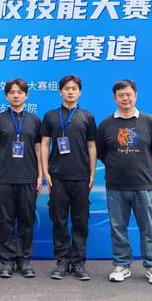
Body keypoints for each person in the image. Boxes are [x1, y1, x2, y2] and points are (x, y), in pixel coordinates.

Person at [96, 79, 152, 286]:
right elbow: (101, 152)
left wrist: (144, 169)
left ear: (135, 96)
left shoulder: (148, 121)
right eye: (121, 95)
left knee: (149, 229)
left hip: (143, 186)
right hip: (115, 186)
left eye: (128, 94)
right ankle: (121, 265)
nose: (125, 98)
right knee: (118, 228)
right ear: (114, 98)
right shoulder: (106, 124)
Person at [40, 75, 97, 281]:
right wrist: (45, 171)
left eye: (74, 89)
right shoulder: (51, 116)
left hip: (81, 177)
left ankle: (79, 263)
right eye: (66, 88)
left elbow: (92, 146)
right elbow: (44, 144)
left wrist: (92, 173)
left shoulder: (87, 116)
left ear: (79, 92)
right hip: (57, 177)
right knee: (59, 220)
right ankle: (62, 262)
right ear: (60, 92)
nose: (70, 92)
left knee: (80, 221)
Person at [0, 79, 42, 278]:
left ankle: (25, 260)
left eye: (20, 92)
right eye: (12, 92)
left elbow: (38, 149)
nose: (16, 95)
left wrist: (40, 175)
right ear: (6, 96)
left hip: (28, 177)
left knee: (27, 221)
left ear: (26, 95)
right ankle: (8, 261)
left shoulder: (34, 120)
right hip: (4, 178)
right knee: (5, 221)